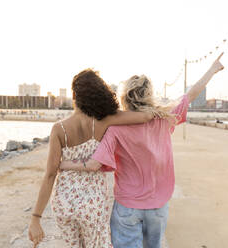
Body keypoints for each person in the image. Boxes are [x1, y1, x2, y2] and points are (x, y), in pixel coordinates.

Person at [60, 53, 225, 248]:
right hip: (158, 206)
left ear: (124, 97)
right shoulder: (163, 118)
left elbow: (95, 163)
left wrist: (61, 163)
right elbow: (190, 95)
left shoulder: (115, 128)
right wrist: (212, 70)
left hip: (127, 206)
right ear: (148, 95)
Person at [28, 69, 155, 248]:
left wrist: (36, 218)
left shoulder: (59, 129)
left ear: (74, 95)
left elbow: (50, 175)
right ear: (97, 93)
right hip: (92, 202)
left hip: (64, 203)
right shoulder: (104, 120)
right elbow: (146, 116)